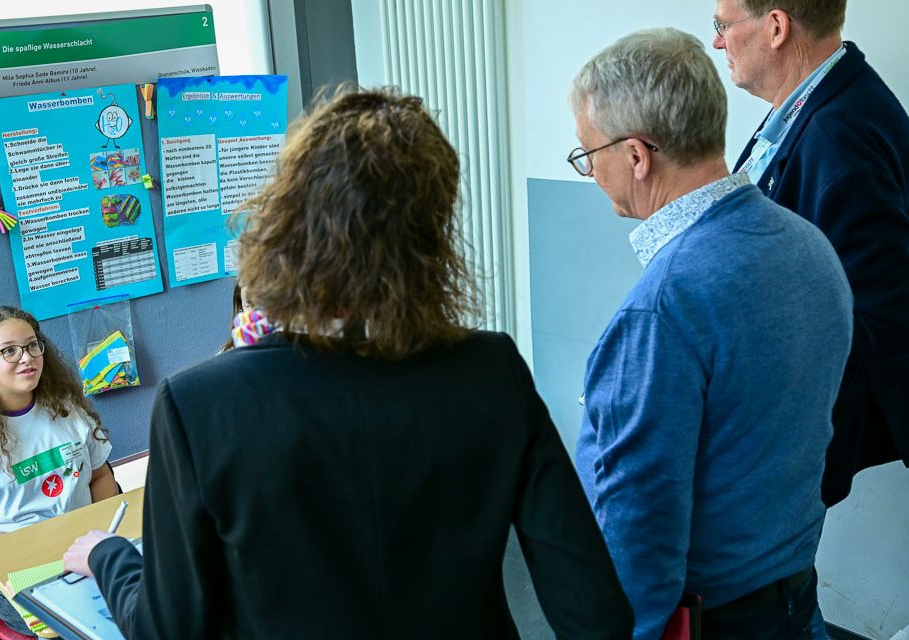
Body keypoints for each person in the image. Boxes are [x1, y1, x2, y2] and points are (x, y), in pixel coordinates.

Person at [63, 87, 634, 639]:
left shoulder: (199, 404)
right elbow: (597, 614)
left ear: (285, 225)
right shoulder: (492, 371)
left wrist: (109, 556)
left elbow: (168, 629)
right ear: (432, 240)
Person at [569, 29, 852, 639]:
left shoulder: (664, 308)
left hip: (717, 621)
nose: (590, 171)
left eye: (588, 152)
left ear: (637, 156)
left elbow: (637, 524)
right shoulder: (812, 248)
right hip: (797, 604)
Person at [714, 0, 909, 506]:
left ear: (777, 27)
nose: (717, 41)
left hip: (793, 442)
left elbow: (873, 317)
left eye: (723, 25)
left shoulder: (840, 134)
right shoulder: (813, 102)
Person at [0, 305, 120, 636]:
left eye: (32, 346)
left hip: (82, 550)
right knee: (86, 623)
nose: (27, 358)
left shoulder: (67, 410)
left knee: (147, 598)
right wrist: (36, 545)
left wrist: (99, 531)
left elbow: (101, 477)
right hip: (13, 569)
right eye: (9, 351)